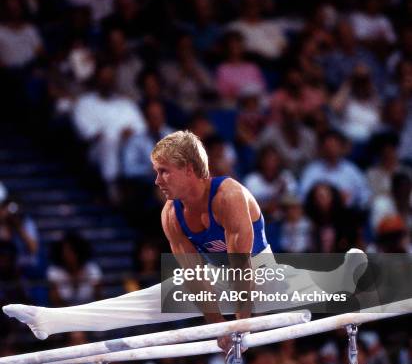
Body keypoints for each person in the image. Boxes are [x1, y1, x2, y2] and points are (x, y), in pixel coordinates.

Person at [3, 131, 367, 351]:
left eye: (164, 171)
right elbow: (195, 278)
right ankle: (50, 320)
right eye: (155, 171)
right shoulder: (170, 214)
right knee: (145, 301)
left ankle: (346, 275)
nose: (157, 180)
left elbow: (243, 270)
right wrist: (216, 330)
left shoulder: (229, 196)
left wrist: (239, 326)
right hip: (215, 283)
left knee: (306, 290)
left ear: (190, 170)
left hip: (261, 275)